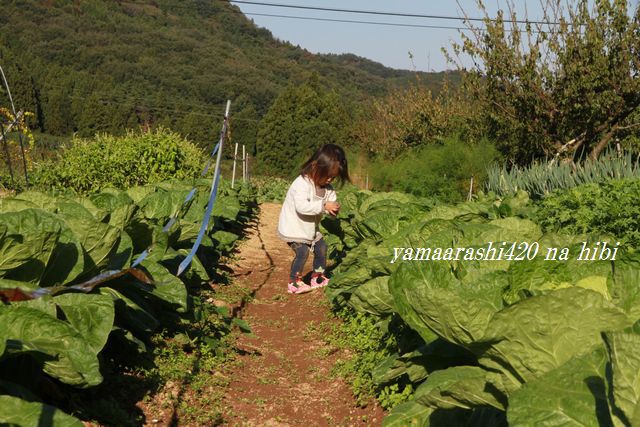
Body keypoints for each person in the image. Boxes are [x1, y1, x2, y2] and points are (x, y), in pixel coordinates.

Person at [277, 144, 350, 294]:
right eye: (327, 175)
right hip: (294, 228)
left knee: (322, 247)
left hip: (310, 228)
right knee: (302, 252)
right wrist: (324, 206)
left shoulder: (328, 188)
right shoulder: (301, 183)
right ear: (315, 166)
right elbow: (302, 207)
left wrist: (333, 209)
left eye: (333, 177)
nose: (329, 179)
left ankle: (317, 277)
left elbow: (330, 201)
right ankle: (294, 282)